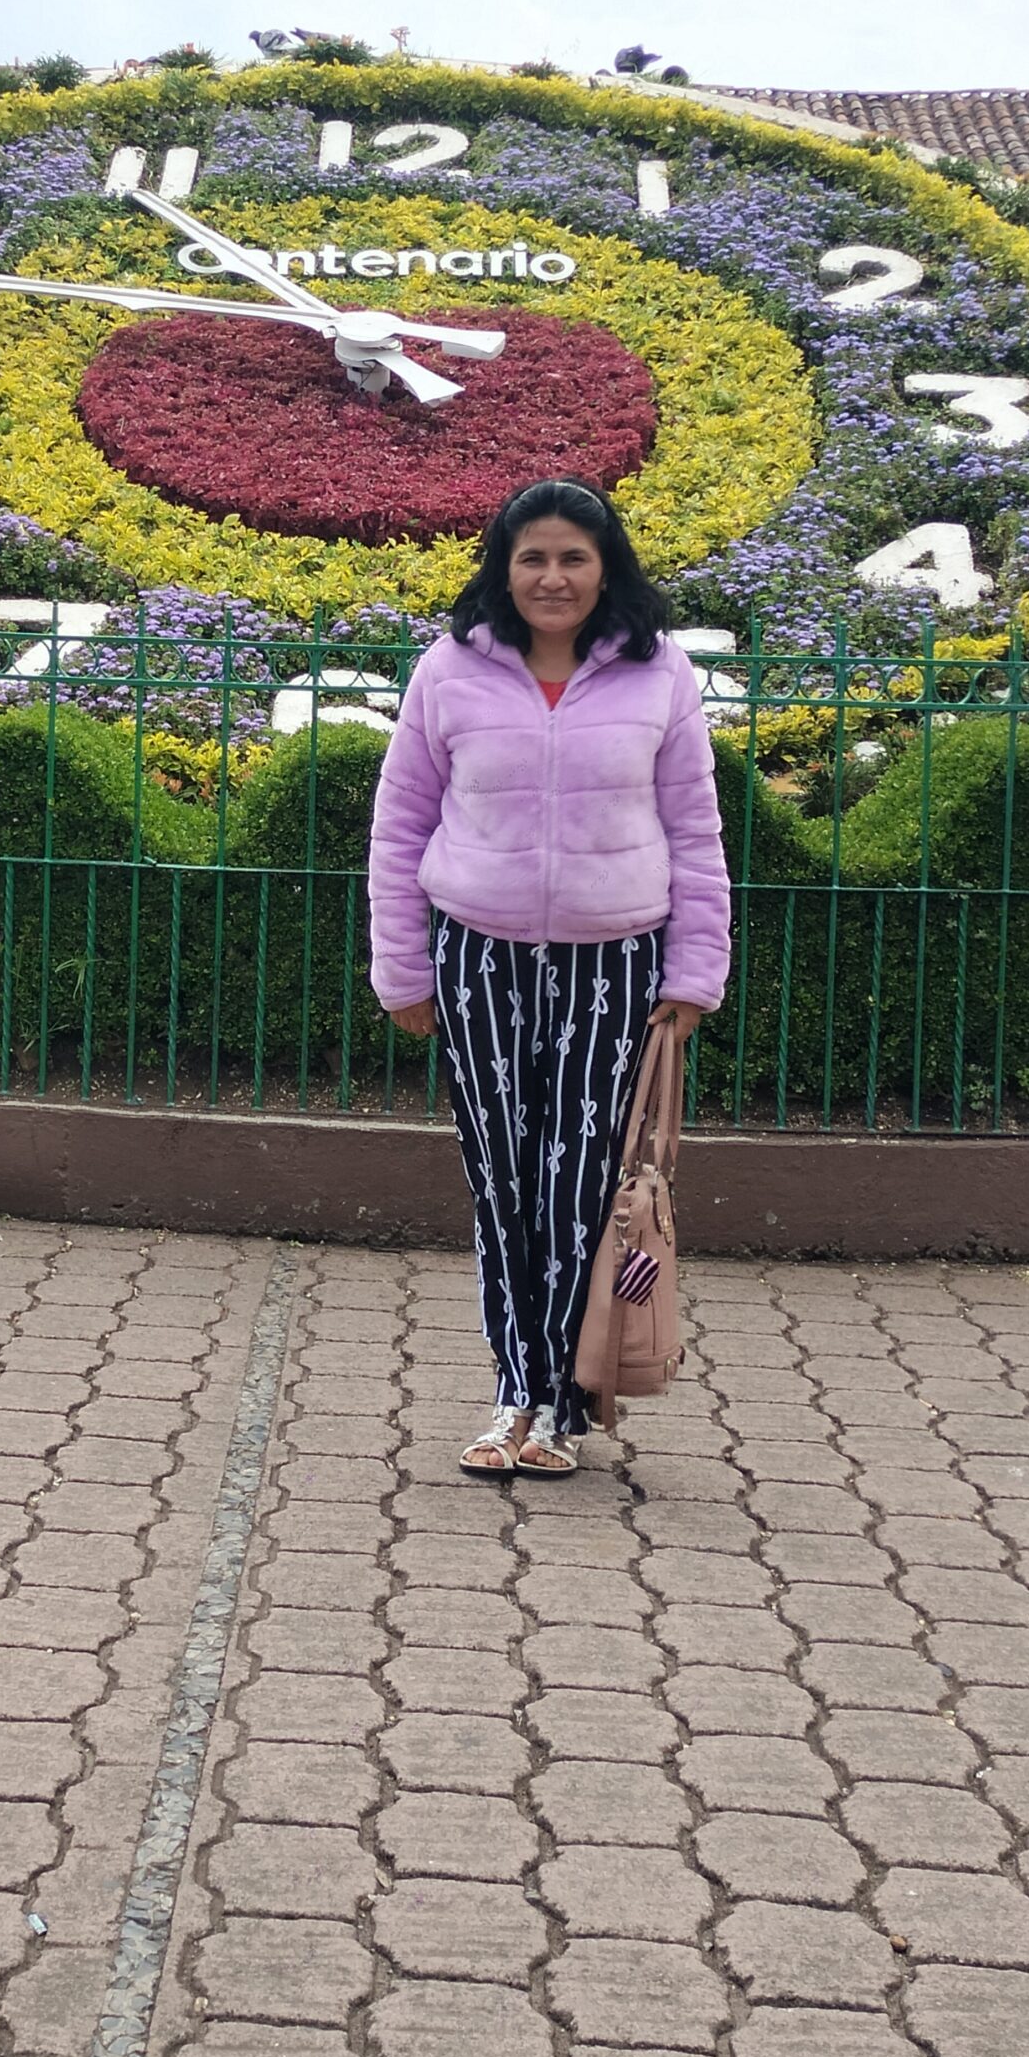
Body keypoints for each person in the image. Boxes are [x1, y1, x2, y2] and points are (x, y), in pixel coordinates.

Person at [367, 478, 730, 1477]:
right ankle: (514, 1392)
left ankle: (561, 1405)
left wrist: (697, 969)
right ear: (504, 566)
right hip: (477, 959)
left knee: (577, 1184)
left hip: (613, 965)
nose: (553, 577)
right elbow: (400, 827)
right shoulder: (450, 670)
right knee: (503, 1184)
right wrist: (403, 968)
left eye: (573, 556)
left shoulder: (659, 677)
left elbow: (695, 831)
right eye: (533, 557)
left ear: (606, 566)